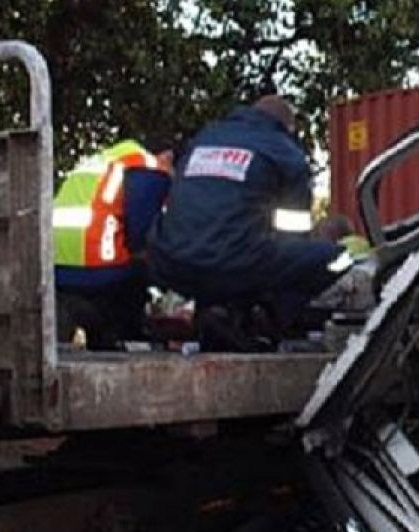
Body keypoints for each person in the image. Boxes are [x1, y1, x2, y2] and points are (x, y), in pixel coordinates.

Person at [149, 96, 351, 351]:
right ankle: (270, 321)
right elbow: (293, 232)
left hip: (172, 260)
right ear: (287, 127)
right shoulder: (284, 151)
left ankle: (216, 311)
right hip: (234, 262)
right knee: (338, 257)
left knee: (226, 248)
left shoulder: (205, 138)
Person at [52, 140, 172, 349]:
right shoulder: (148, 167)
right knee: (145, 269)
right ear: (167, 158)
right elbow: (141, 236)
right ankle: (129, 340)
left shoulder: (104, 161)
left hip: (57, 267)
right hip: (99, 270)